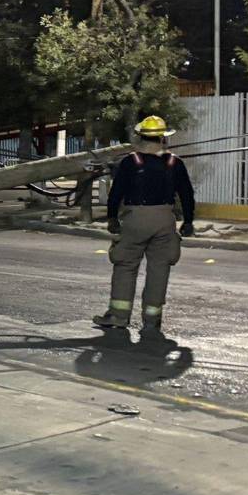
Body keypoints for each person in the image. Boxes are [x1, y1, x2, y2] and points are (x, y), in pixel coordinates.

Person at [93, 115, 196, 335]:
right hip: (164, 220)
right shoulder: (174, 163)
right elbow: (187, 194)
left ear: (140, 137)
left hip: (135, 219)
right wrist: (188, 222)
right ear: (163, 138)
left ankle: (119, 316)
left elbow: (116, 192)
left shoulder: (131, 161)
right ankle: (152, 320)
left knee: (125, 266)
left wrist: (112, 218)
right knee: (159, 270)